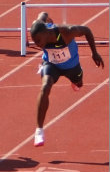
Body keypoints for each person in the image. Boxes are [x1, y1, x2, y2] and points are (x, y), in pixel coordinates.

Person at [30, 12, 104, 147]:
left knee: (79, 83)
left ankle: (75, 81)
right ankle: (39, 130)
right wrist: (46, 17)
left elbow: (86, 30)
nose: (37, 45)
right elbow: (43, 14)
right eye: (34, 41)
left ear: (46, 33)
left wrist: (94, 53)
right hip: (51, 65)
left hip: (72, 66)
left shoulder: (66, 32)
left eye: (38, 41)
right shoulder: (39, 26)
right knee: (45, 87)